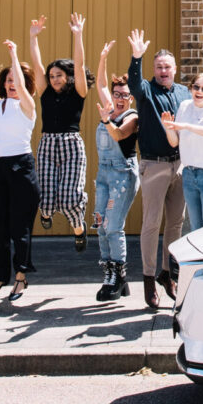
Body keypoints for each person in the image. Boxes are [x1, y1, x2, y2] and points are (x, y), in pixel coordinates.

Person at [76, 25, 139, 301]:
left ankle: (118, 273)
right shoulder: (110, 104)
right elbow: (100, 84)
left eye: (124, 95)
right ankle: (111, 275)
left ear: (131, 97)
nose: (120, 99)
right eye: (117, 94)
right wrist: (102, 58)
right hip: (103, 176)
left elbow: (118, 133)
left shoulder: (131, 117)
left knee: (114, 226)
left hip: (123, 176)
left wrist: (105, 120)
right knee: (100, 225)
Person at [127, 28, 184, 311]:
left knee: (175, 223)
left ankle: (167, 273)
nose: (163, 71)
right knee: (151, 224)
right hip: (154, 164)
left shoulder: (184, 92)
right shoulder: (146, 90)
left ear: (174, 69)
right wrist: (136, 57)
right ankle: (149, 278)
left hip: (180, 165)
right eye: (159, 67)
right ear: (154, 69)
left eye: (167, 67)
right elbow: (134, 84)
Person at [0, 30, 39, 302]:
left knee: (20, 227)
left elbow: (20, 80)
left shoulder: (28, 106)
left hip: (21, 167)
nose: (11, 84)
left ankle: (20, 277)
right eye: (7, 81)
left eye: (15, 80)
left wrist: (15, 55)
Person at [34, 18, 89, 252]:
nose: (55, 78)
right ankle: (45, 213)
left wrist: (78, 34)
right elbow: (36, 66)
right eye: (52, 75)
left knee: (68, 199)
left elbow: (79, 64)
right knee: (45, 201)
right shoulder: (45, 93)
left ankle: (79, 228)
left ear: (67, 76)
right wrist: (33, 37)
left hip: (71, 145)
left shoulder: (78, 92)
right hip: (47, 144)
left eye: (59, 75)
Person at [162, 72, 203, 230]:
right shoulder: (185, 106)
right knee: (196, 229)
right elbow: (174, 142)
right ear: (190, 88)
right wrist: (168, 128)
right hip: (190, 174)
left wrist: (186, 126)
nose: (199, 91)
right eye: (196, 87)